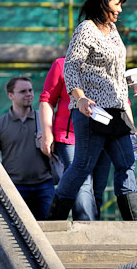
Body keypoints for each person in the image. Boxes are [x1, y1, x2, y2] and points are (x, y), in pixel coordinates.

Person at [47, 0, 137, 221]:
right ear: (103, 3)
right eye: (117, 4)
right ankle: (55, 218)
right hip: (92, 111)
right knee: (82, 166)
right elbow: (70, 67)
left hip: (117, 110)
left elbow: (116, 72)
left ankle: (135, 221)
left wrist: (135, 88)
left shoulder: (113, 30)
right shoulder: (85, 30)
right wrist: (79, 98)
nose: (120, 9)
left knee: (126, 162)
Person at [38, 57, 112, 220]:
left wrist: (132, 129)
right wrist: (47, 133)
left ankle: (90, 230)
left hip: (104, 137)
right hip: (70, 136)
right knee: (83, 184)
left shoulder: (109, 64)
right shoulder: (61, 64)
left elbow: (122, 100)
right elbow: (47, 100)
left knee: (97, 191)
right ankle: (85, 229)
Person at [0, 76, 54, 219]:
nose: (29, 94)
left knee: (50, 230)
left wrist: (49, 144)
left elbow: (58, 154)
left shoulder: (45, 121)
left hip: (44, 186)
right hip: (13, 187)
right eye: (23, 91)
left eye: (30, 90)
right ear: (10, 95)